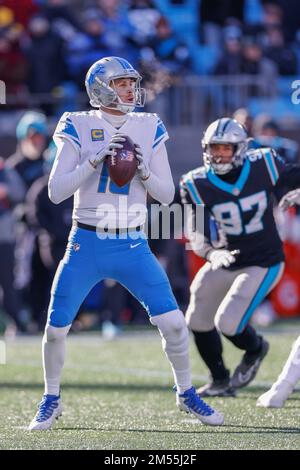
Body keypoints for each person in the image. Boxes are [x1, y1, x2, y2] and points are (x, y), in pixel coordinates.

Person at [28, 56, 224, 431]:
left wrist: (145, 170)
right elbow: (55, 192)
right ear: (100, 87)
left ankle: (185, 392)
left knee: (175, 325)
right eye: (121, 83)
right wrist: (93, 160)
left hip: (132, 243)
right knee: (55, 329)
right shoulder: (77, 123)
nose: (130, 90)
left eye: (132, 83)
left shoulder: (148, 125)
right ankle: (51, 398)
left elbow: (167, 196)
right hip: (85, 242)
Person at [180, 117, 300, 398]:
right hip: (228, 255)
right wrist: (211, 252)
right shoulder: (195, 182)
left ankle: (256, 348)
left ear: (241, 149)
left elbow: (294, 176)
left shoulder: (264, 163)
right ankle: (219, 379)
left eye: (225, 148)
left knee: (229, 323)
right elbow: (196, 233)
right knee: (197, 316)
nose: (218, 154)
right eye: (213, 148)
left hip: (265, 259)